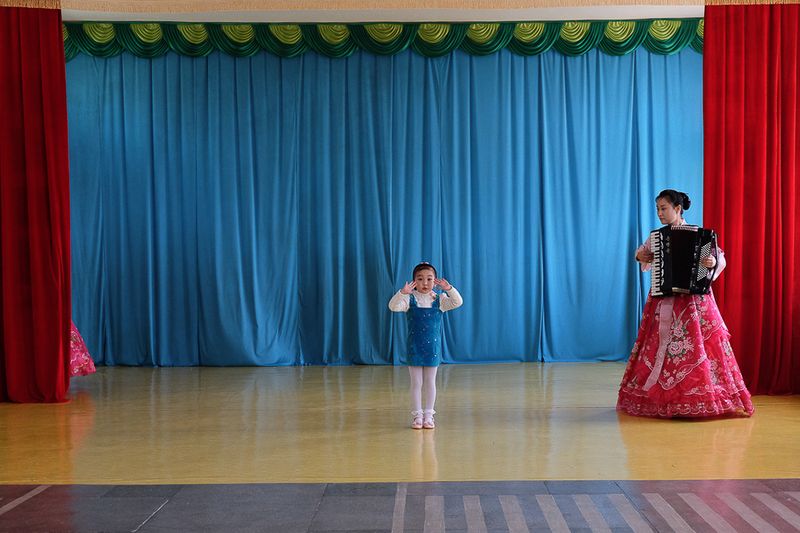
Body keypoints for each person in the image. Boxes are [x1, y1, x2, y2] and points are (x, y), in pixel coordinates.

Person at [617, 189, 754, 418]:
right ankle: (665, 399)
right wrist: (640, 256)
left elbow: (720, 258)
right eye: (658, 209)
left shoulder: (700, 235)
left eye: (664, 208)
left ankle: (698, 397)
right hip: (664, 299)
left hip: (694, 302)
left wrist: (711, 262)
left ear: (677, 209)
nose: (660, 213)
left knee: (698, 345)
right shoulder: (656, 237)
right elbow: (641, 253)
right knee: (662, 345)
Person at [389, 262, 463, 429]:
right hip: (414, 348)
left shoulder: (440, 300)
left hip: (432, 350)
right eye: (420, 279)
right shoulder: (410, 299)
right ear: (414, 281)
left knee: (430, 382)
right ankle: (417, 416)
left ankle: (429, 415)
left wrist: (449, 288)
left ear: (435, 280)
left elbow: (458, 302)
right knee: (416, 383)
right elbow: (393, 307)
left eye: (429, 279)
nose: (425, 283)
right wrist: (402, 293)